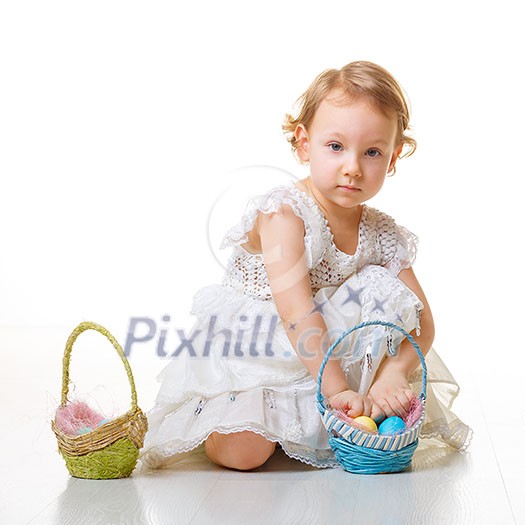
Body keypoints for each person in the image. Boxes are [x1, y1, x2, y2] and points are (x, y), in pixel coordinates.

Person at [139, 61, 472, 471]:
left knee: (379, 287)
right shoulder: (286, 213)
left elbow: (423, 321)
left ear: (393, 158)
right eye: (335, 147)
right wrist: (336, 394)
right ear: (303, 144)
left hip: (327, 349)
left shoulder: (383, 232)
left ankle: (308, 422)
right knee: (243, 454)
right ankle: (240, 417)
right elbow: (295, 312)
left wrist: (395, 371)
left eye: (372, 152)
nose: (353, 166)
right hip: (261, 349)